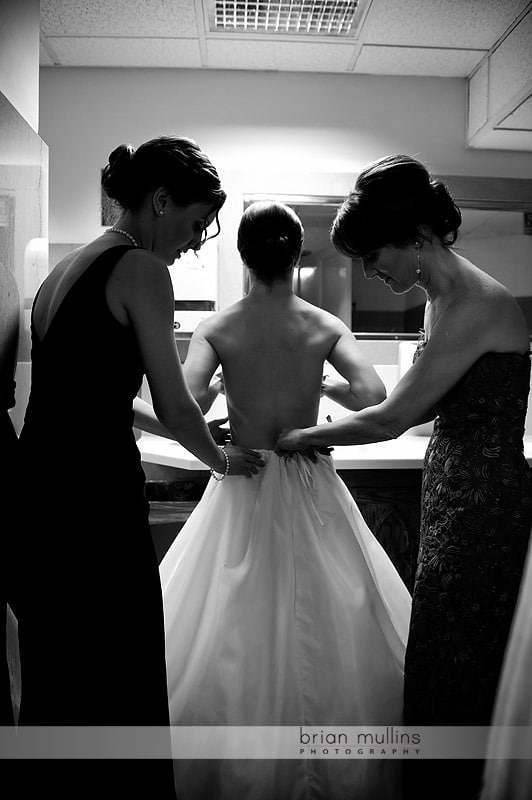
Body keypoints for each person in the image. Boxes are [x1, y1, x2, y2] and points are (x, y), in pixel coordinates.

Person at [276, 155, 532, 799]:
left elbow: (393, 417)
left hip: (484, 502)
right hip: (454, 487)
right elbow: (426, 407)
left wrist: (305, 436)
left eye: (373, 255)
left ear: (416, 236)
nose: (370, 272)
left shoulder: (476, 303)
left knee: (460, 648)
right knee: (445, 642)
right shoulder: (443, 301)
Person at [15, 136, 263, 797]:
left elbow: (106, 395)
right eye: (192, 225)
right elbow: (178, 406)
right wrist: (223, 460)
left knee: (61, 670)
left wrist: (193, 431)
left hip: (37, 496)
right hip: (93, 503)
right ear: (159, 201)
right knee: (119, 668)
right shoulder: (142, 271)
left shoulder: (63, 272)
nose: (193, 243)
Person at [160, 200, 412, 799]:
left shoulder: (218, 327)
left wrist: (222, 390)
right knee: (334, 612)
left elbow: (185, 408)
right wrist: (321, 381)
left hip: (243, 478)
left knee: (228, 618)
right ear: (297, 257)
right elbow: (373, 393)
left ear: (243, 257)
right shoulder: (322, 324)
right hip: (307, 478)